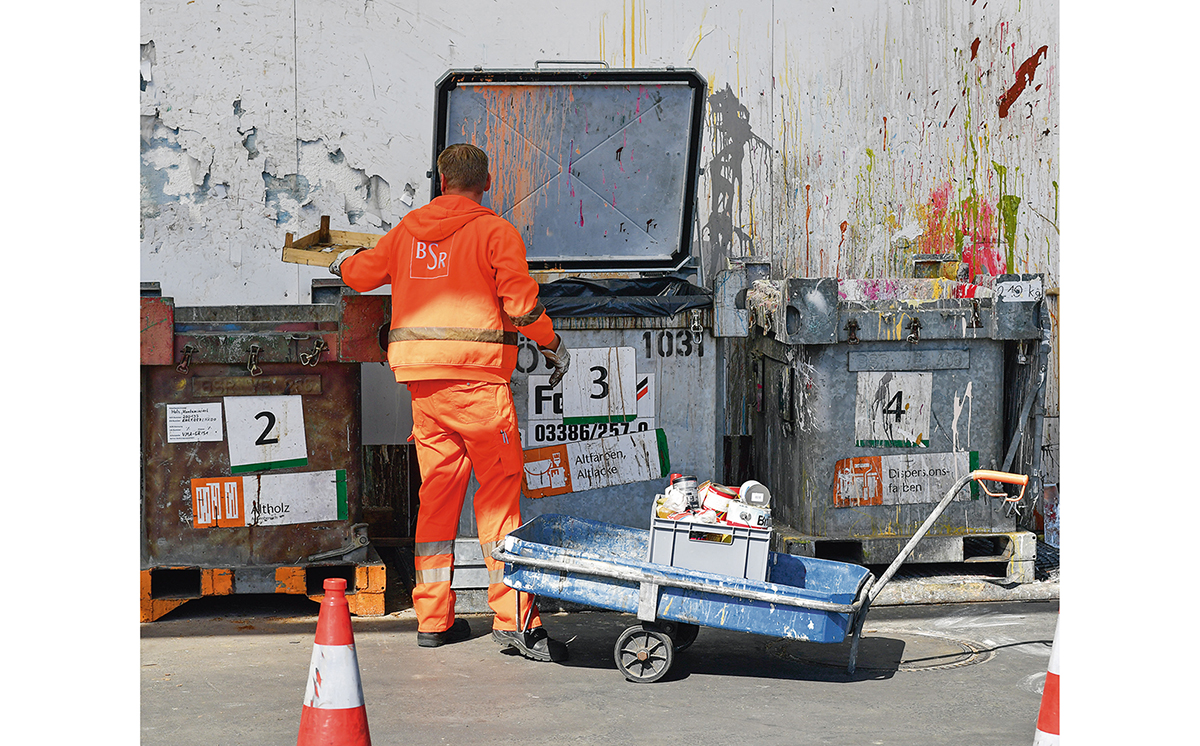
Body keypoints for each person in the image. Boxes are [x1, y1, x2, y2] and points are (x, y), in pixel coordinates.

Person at [330, 143, 570, 661]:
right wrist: (551, 344)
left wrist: (342, 261)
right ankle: (513, 620)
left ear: (440, 180)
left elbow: (360, 275)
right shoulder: (495, 232)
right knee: (499, 502)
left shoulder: (408, 231)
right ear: (487, 181)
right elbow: (522, 306)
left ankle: (433, 619)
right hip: (479, 387)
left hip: (424, 389)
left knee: (438, 498)